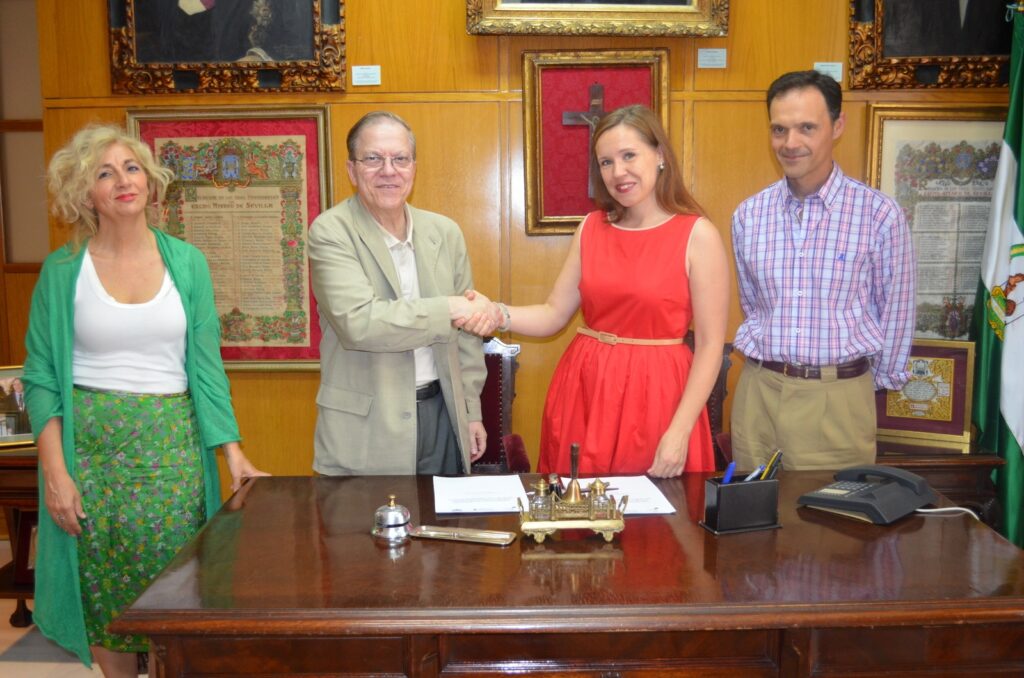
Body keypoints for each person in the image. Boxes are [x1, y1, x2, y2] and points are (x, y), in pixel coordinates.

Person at [22, 124, 268, 676]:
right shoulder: (62, 272)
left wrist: (233, 454)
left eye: (131, 168)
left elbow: (206, 370)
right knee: (102, 587)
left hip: (172, 456)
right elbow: (40, 377)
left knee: (177, 587)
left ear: (151, 183)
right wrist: (56, 473)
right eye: (103, 173)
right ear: (86, 193)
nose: (122, 181)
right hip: (91, 456)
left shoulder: (188, 263)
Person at [460, 104, 728, 478]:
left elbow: (712, 345)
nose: (618, 172)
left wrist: (680, 430)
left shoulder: (698, 235)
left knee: (654, 524)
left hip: (658, 396)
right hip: (585, 388)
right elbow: (554, 313)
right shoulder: (591, 228)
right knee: (578, 515)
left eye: (629, 155)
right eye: (605, 162)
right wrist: (497, 312)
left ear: (660, 155)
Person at [730, 70, 916, 472]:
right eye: (779, 129)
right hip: (758, 394)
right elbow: (754, 305)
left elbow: (897, 316)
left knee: (831, 530)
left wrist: (859, 388)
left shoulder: (879, 215)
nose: (790, 143)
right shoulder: (748, 215)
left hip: (838, 401)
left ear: (837, 126)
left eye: (806, 128)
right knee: (752, 527)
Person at [307, 111, 491, 476]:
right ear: (351, 169)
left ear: (413, 167)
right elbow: (359, 323)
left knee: (443, 533)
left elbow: (467, 337)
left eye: (400, 159)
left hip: (443, 416)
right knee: (361, 532)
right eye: (373, 159)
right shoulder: (331, 232)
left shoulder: (445, 232)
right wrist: (447, 309)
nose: (388, 170)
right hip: (365, 430)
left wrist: (470, 411)